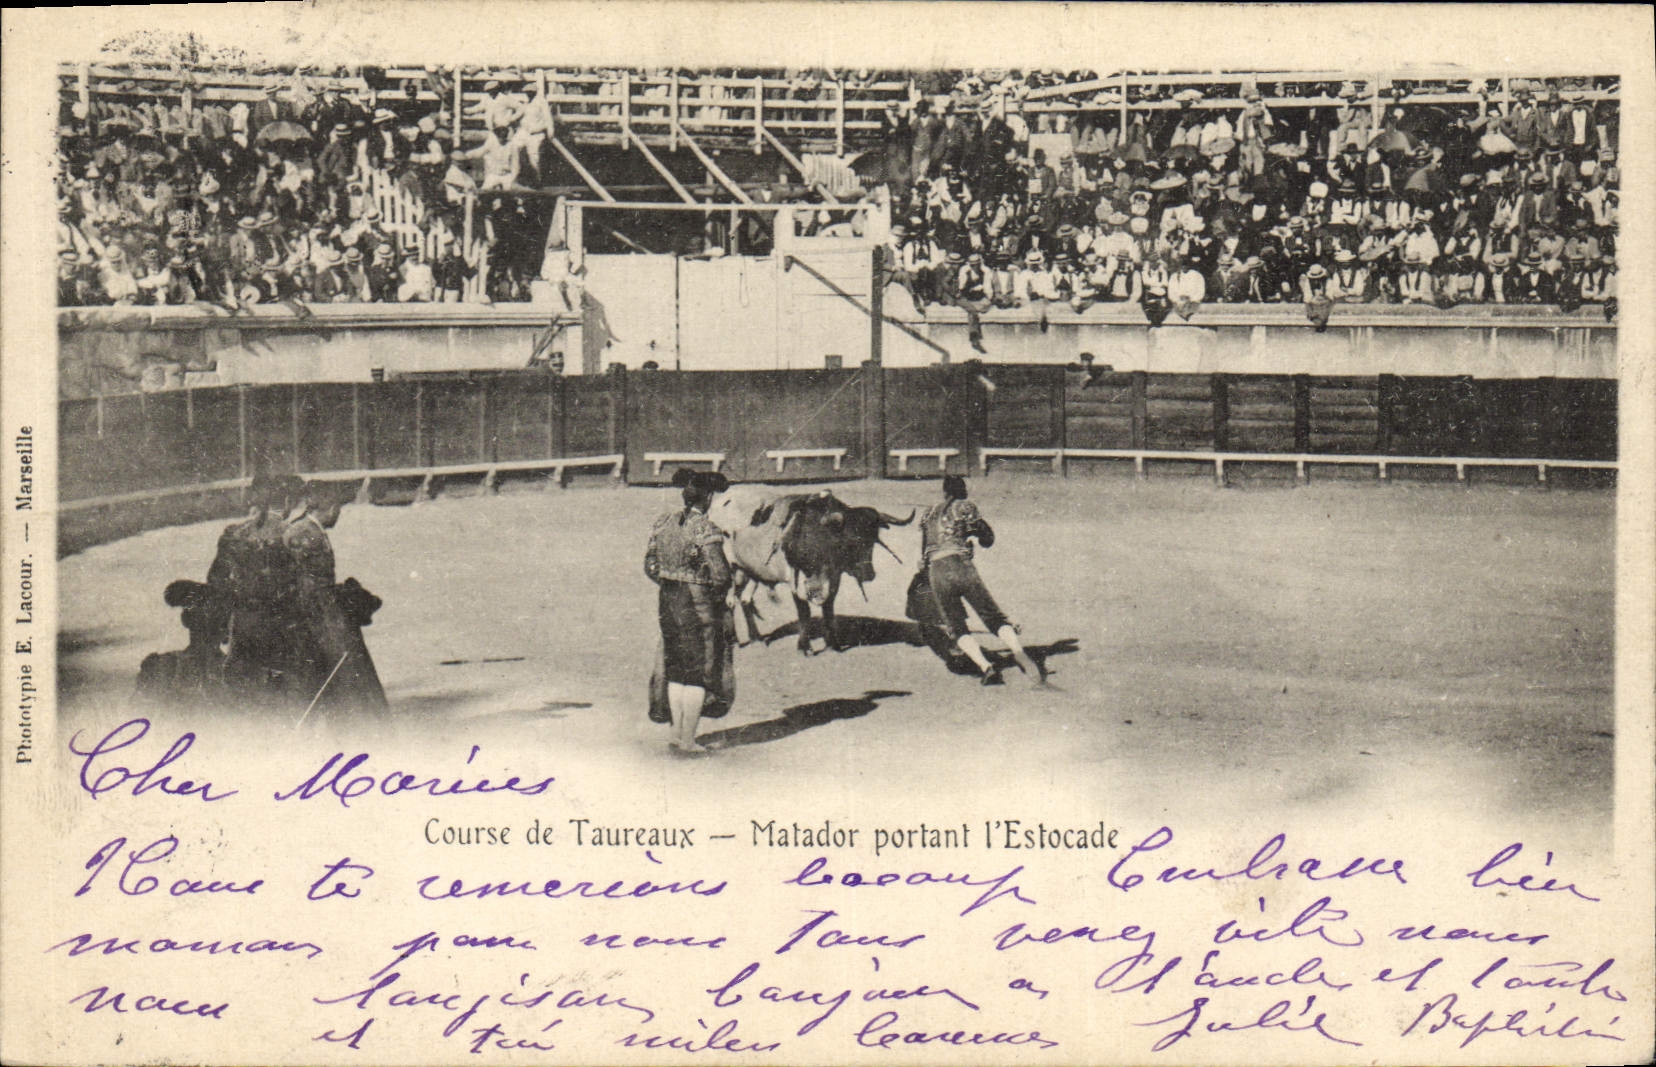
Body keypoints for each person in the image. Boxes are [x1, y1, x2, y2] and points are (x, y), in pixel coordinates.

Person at [914, 475, 1043, 686]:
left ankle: (985, 667)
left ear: (944, 491)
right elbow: (987, 539)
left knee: (956, 627)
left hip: (936, 571)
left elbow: (925, 554)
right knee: (992, 616)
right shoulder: (965, 507)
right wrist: (971, 537)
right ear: (963, 492)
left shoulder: (928, 513)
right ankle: (1020, 655)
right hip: (960, 565)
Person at [644, 469, 734, 753]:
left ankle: (676, 733)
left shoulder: (663, 522)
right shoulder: (706, 529)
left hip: (668, 600)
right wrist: (714, 594)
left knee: (676, 666)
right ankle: (688, 739)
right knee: (699, 669)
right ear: (707, 498)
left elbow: (650, 565)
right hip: (699, 604)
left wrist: (671, 581)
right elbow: (721, 574)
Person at [284, 480, 389, 720]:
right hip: (316, 616)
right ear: (330, 507)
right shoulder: (304, 533)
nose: (339, 513)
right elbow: (305, 583)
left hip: (320, 611)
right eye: (338, 508)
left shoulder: (306, 530)